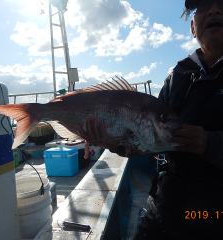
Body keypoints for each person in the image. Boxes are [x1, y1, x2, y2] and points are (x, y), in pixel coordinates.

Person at [78, 0, 223, 239]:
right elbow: (147, 140)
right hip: (165, 205)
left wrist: (210, 143)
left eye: (222, 5)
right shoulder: (178, 76)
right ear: (192, 28)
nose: (215, 10)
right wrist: (113, 144)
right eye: (203, 5)